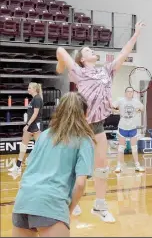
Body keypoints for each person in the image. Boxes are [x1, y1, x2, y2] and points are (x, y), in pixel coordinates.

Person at [56, 21, 145, 223]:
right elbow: (60, 49)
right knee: (71, 165)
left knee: (102, 167)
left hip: (97, 125)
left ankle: (100, 206)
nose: (92, 50)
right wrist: (60, 66)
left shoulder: (107, 70)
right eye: (87, 50)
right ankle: (71, 201)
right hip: (78, 124)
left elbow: (123, 52)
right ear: (81, 59)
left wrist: (136, 34)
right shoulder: (78, 71)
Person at [12, 92, 95, 237]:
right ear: (84, 113)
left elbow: (29, 166)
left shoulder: (44, 135)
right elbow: (80, 184)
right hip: (51, 204)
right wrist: (67, 212)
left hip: (23, 201)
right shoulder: (83, 139)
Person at [9, 82, 43, 174]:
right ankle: (18, 166)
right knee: (23, 146)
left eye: (29, 88)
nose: (28, 89)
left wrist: (27, 125)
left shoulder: (37, 99)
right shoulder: (33, 99)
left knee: (39, 147)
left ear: (35, 89)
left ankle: (40, 167)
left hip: (36, 125)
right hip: (30, 125)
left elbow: (35, 114)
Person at [112, 87, 145, 173]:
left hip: (133, 127)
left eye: (131, 91)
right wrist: (117, 111)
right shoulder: (121, 100)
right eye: (128, 91)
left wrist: (138, 111)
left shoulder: (136, 101)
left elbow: (142, 108)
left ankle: (137, 166)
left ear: (133, 93)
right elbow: (112, 106)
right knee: (121, 148)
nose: (130, 93)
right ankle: (118, 166)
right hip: (123, 127)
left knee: (134, 148)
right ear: (125, 93)